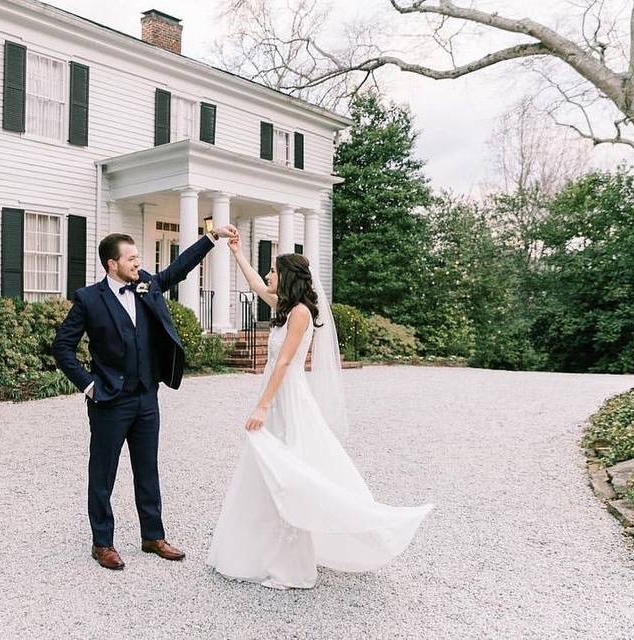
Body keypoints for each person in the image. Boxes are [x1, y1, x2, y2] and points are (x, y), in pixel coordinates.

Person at [206, 235, 433, 589]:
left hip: (287, 397)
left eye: (273, 271)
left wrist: (263, 406)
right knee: (271, 472)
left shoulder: (299, 314)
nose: (268, 275)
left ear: (287, 277)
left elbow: (283, 362)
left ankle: (294, 569)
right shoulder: (284, 306)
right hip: (278, 395)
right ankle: (264, 552)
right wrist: (236, 252)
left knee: (291, 474)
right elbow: (253, 282)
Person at [52, 225, 238, 570]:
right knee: (103, 473)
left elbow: (177, 271)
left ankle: (153, 536)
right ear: (112, 264)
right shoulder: (89, 299)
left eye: (138, 258)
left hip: (146, 397)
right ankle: (102, 543)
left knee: (147, 469)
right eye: (132, 258)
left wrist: (211, 240)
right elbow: (61, 347)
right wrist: (89, 385)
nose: (138, 263)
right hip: (109, 400)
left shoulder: (145, 285)